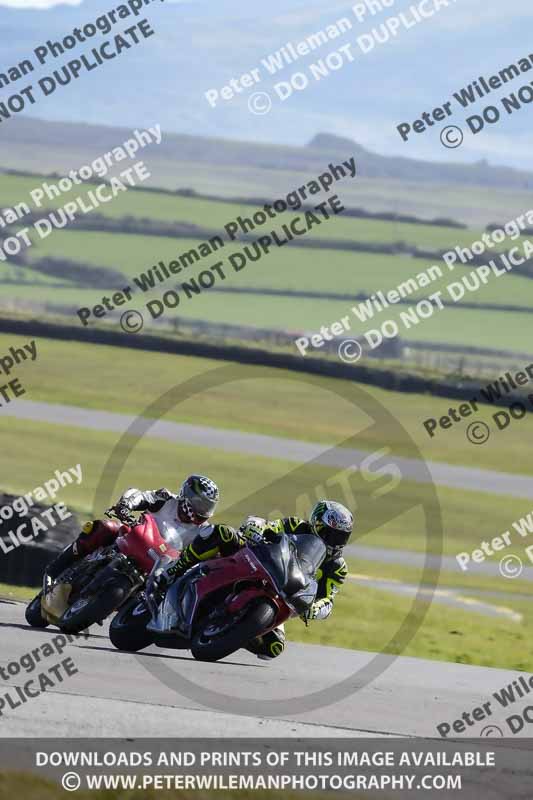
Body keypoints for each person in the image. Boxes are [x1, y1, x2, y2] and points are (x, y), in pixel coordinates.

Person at [162, 500, 353, 660]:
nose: (335, 541)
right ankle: (176, 568)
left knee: (273, 648)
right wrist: (256, 527)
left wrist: (315, 609)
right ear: (316, 524)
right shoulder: (297, 526)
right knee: (222, 534)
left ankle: (232, 630)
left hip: (281, 593)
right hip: (257, 561)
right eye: (330, 534)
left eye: (341, 537)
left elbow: (328, 599)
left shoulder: (338, 567)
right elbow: (271, 526)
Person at [44, 474, 222, 582]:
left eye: (208, 506)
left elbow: (205, 555)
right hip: (133, 539)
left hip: (158, 565)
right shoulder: (167, 499)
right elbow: (140, 496)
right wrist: (126, 505)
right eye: (200, 503)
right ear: (187, 496)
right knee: (106, 528)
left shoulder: (203, 531)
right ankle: (55, 570)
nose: (203, 510)